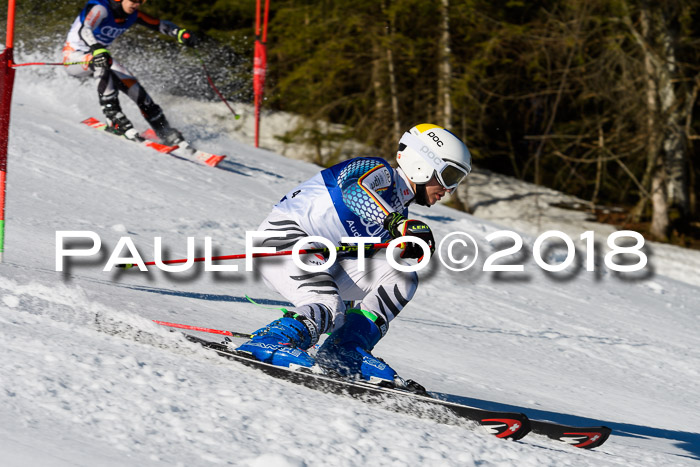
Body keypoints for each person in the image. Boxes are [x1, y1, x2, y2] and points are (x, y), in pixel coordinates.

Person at [237, 123, 472, 387]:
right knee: (327, 303)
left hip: (321, 260)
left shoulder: (398, 212)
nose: (449, 190)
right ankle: (269, 342)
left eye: (456, 181)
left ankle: (344, 350)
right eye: (449, 176)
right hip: (283, 239)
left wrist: (397, 246)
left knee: (401, 275)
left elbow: (358, 262)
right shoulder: (375, 170)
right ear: (422, 164)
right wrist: (394, 224)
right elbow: (353, 189)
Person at [62, 0, 198, 144]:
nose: (137, 4)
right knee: (103, 62)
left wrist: (179, 33)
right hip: (74, 57)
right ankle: (114, 119)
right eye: (133, 0)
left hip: (102, 58)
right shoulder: (100, 8)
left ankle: (165, 131)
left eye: (141, 1)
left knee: (137, 91)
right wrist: (96, 47)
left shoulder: (132, 14)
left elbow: (158, 24)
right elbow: (84, 28)